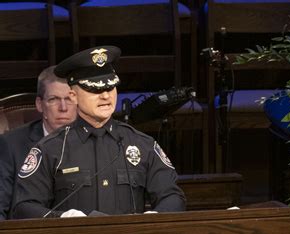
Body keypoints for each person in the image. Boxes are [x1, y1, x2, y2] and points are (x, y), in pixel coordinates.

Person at [12, 46, 186, 219]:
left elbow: (173, 196)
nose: (105, 96)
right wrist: (61, 218)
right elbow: (24, 206)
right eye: (95, 89)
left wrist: (154, 217)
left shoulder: (142, 144)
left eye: (110, 87)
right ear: (73, 96)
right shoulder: (52, 148)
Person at [0, 66, 78, 220]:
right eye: (53, 99)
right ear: (40, 104)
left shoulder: (94, 141)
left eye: (69, 99)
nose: (63, 108)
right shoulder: (10, 145)